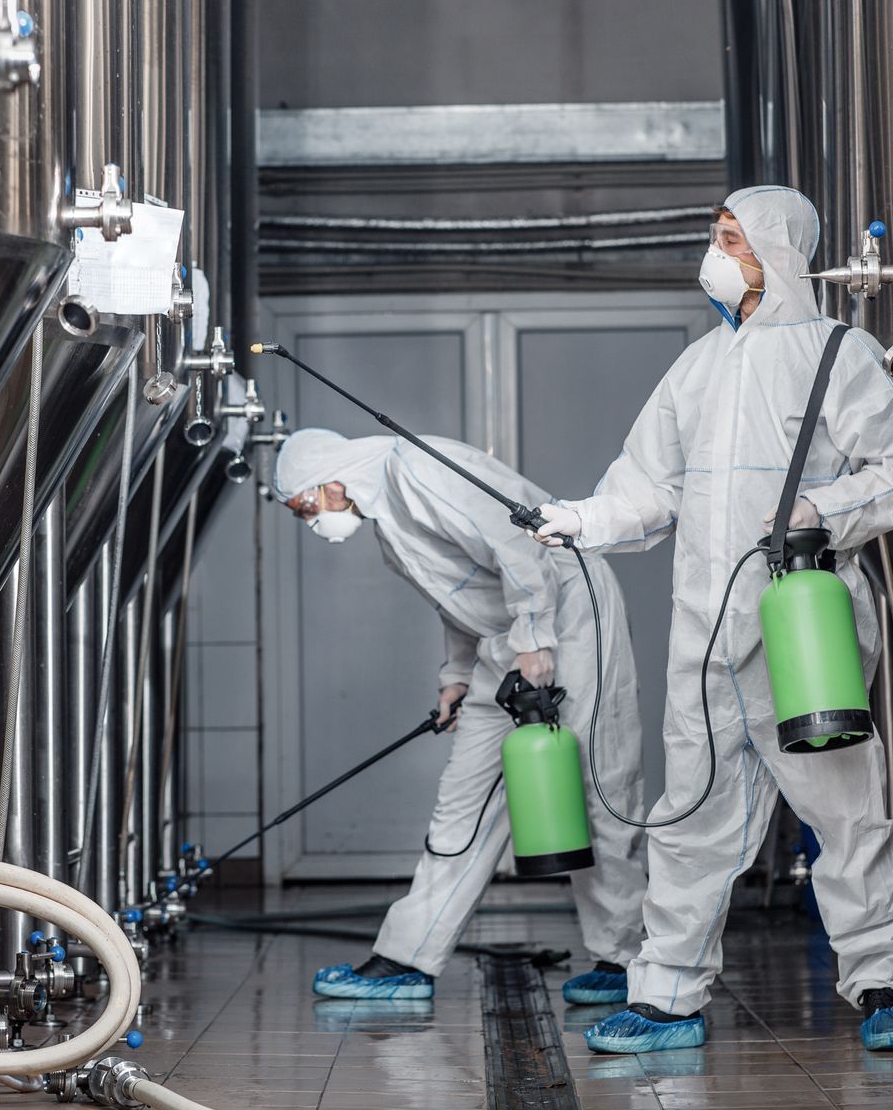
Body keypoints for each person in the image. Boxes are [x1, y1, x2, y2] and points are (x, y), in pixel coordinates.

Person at [531, 186, 893, 1054]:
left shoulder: (838, 353)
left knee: (845, 811)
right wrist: (583, 520)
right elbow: (647, 484)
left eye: (729, 239)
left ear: (776, 253)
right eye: (715, 236)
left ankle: (885, 985)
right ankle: (668, 994)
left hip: (802, 622)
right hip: (705, 630)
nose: (714, 254)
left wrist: (818, 509)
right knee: (691, 816)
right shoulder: (700, 366)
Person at [273, 428, 649, 1005]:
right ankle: (406, 959)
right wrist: (455, 675)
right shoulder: (390, 527)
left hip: (569, 617)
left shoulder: (420, 469)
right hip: (510, 638)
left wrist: (534, 636)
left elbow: (516, 541)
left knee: (599, 784)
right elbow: (460, 598)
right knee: (462, 803)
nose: (310, 520)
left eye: (305, 505)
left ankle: (622, 959)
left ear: (330, 480)